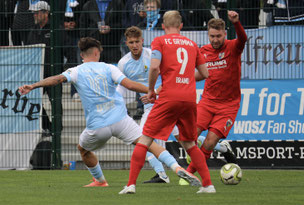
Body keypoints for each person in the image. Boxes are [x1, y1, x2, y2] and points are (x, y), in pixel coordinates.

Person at [19, 37, 200, 188]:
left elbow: (56, 79)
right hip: (121, 120)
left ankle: (100, 180)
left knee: (83, 149)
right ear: (97, 52)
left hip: (98, 126)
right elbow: (128, 85)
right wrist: (151, 90)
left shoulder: (76, 70)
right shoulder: (109, 67)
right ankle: (177, 168)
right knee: (149, 143)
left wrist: (34, 85)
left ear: (82, 55)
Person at [119, 10, 215, 194]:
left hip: (168, 97)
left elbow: (154, 67)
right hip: (188, 99)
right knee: (190, 144)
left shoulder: (160, 41)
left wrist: (150, 90)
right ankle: (208, 185)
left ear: (162, 26)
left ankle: (130, 185)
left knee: (145, 139)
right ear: (181, 26)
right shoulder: (192, 44)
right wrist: (185, 79)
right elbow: (205, 74)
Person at [183, 11, 247, 180]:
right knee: (189, 136)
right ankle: (210, 152)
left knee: (210, 142)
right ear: (208, 35)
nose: (215, 40)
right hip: (207, 102)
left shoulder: (233, 47)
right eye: (212, 36)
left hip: (228, 105)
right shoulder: (202, 51)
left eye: (218, 36)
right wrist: (183, 82)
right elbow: (200, 74)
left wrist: (236, 23)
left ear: (224, 34)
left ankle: (189, 174)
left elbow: (243, 39)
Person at [117, 26, 179, 183]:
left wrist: (155, 92)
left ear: (142, 41)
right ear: (126, 43)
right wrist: (117, 105)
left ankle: (218, 147)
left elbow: (169, 78)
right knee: (144, 139)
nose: (134, 45)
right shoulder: (123, 63)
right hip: (150, 106)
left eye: (137, 41)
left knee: (182, 137)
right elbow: (122, 87)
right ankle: (162, 173)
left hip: (166, 102)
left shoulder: (152, 56)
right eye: (131, 42)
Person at [25, 1, 62, 135]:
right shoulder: (33, 30)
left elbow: (66, 48)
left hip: (53, 72)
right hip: (37, 74)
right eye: (34, 13)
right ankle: (47, 125)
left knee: (55, 102)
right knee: (35, 101)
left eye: (37, 12)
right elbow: (28, 50)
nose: (34, 15)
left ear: (46, 13)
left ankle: (58, 128)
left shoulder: (55, 29)